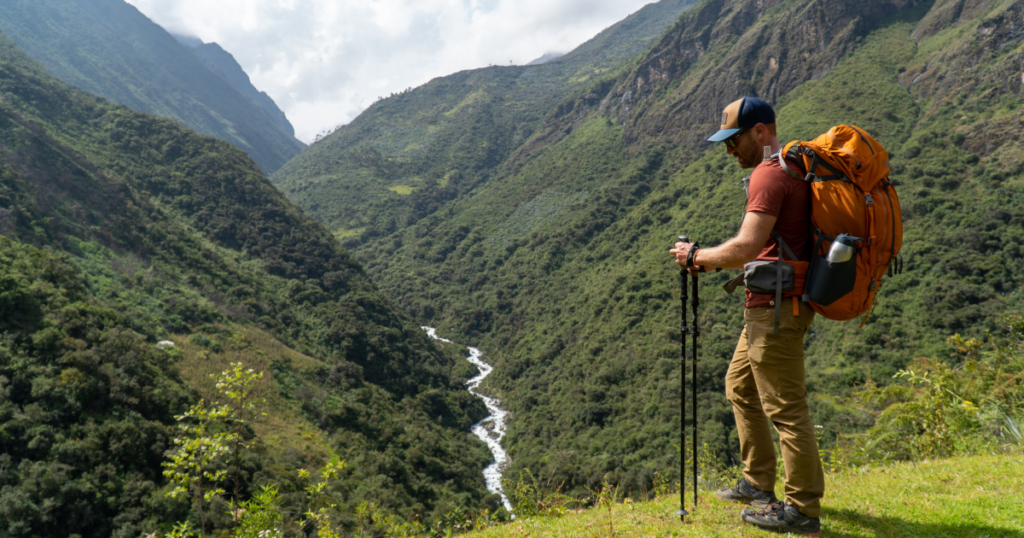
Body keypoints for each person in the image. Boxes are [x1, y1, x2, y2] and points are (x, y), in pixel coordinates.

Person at [670, 96, 824, 537]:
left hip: (778, 309)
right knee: (739, 385)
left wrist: (696, 256)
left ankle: (801, 509)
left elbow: (746, 247)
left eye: (734, 140)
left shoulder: (769, 175)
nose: (729, 150)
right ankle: (758, 482)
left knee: (785, 407)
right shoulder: (791, 169)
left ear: (760, 132)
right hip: (774, 304)